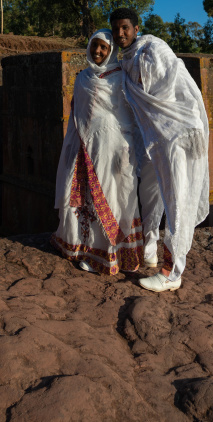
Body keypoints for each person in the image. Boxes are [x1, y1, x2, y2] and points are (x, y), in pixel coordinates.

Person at [110, 7, 210, 293]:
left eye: (125, 28)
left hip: (176, 132)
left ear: (136, 28)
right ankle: (150, 249)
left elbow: (165, 92)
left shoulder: (153, 49)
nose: (120, 34)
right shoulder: (126, 61)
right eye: (116, 29)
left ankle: (171, 272)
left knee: (176, 198)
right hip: (154, 137)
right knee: (150, 192)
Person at [51, 29, 144, 275]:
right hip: (83, 148)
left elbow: (131, 115)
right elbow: (76, 116)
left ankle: (108, 256)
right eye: (95, 46)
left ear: (111, 50)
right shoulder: (83, 78)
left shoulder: (121, 78)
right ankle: (83, 249)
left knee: (113, 198)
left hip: (112, 149)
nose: (98, 51)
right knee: (84, 200)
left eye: (103, 47)